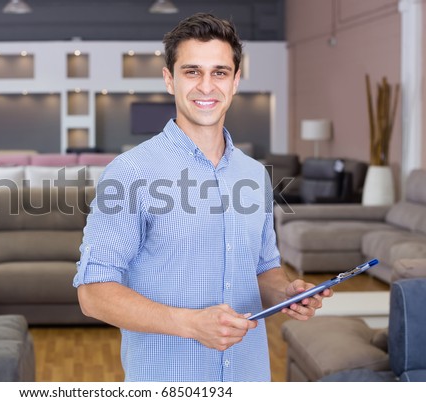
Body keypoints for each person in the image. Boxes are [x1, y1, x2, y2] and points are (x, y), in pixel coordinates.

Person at [73, 12, 331, 382]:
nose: (206, 86)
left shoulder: (254, 174)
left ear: (236, 81)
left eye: (220, 72)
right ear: (169, 80)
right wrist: (191, 324)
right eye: (192, 72)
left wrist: (286, 291)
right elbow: (94, 293)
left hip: (249, 377)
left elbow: (263, 267)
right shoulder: (129, 173)